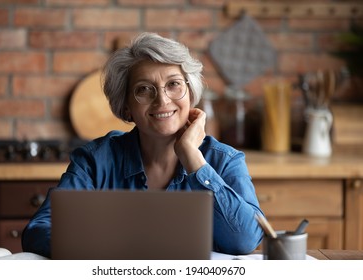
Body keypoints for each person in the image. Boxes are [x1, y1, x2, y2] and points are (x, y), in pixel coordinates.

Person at [22, 32, 264, 258]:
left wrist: (193, 159)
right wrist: (101, 249)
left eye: (174, 84)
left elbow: (245, 240)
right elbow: (39, 230)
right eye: (144, 89)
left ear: (191, 93)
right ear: (126, 107)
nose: (162, 99)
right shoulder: (96, 160)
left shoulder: (225, 160)